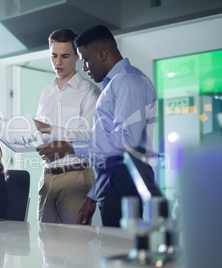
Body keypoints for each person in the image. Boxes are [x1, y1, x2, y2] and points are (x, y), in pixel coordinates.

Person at [37, 25, 159, 227]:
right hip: (112, 177)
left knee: (119, 247)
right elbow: (107, 151)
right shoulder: (113, 84)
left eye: (85, 60)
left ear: (102, 54)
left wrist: (70, 147)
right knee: (109, 246)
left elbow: (125, 142)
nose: (85, 68)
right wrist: (93, 195)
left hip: (126, 177)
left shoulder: (128, 81)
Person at [34, 29, 101, 224]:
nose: (58, 62)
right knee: (46, 246)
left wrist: (48, 128)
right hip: (47, 177)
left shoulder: (90, 92)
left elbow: (89, 136)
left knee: (76, 248)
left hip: (76, 177)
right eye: (54, 56)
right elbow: (41, 133)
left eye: (65, 56)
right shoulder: (46, 93)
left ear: (77, 56)